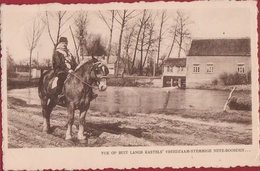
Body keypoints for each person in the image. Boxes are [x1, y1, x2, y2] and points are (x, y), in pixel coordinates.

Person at [52, 37, 97, 102]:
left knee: (85, 78)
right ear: (59, 44)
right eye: (63, 43)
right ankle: (60, 94)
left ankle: (90, 94)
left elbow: (73, 62)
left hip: (71, 70)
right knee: (62, 77)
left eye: (66, 43)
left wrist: (78, 67)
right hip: (60, 70)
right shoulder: (57, 52)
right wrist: (67, 70)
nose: (64, 45)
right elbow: (59, 63)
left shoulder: (69, 53)